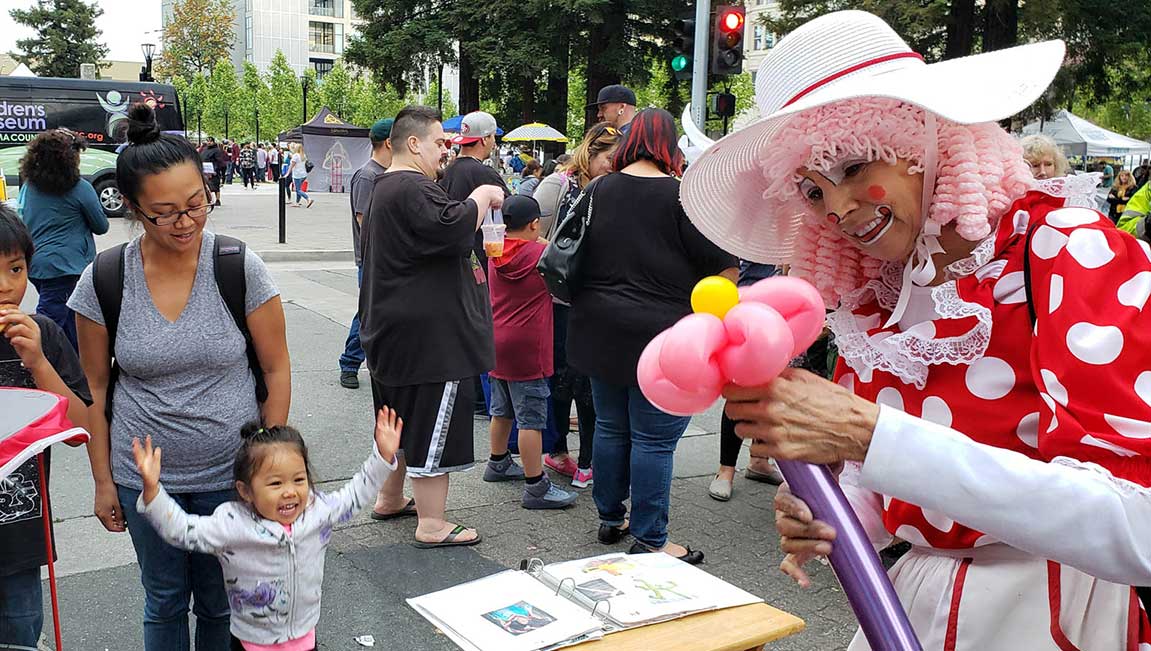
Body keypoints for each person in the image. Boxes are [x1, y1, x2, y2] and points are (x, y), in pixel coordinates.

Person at [677, 10, 1151, 647]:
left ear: (929, 139)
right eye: (812, 192)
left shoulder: (1067, 250)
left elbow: (1137, 522)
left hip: (1057, 614)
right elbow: (898, 496)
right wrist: (840, 521)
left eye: (851, 166)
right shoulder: (877, 297)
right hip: (914, 611)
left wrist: (870, 434)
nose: (839, 209)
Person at [68, 104, 291, 651]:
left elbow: (276, 367)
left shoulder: (238, 265)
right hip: (143, 478)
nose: (186, 222)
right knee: (164, 598)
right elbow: (94, 387)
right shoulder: (105, 278)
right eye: (165, 213)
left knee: (220, 601)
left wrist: (268, 463)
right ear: (133, 209)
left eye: (197, 204)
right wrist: (102, 481)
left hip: (229, 476)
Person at [567, 108, 737, 564]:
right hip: (662, 337)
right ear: (670, 147)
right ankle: (652, 538)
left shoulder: (597, 189)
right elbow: (724, 267)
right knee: (654, 439)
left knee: (608, 425)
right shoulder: (683, 197)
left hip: (599, 328)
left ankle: (609, 517)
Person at [132, 409, 401, 651]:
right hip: (251, 642)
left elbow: (355, 495)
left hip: (304, 637)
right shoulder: (232, 524)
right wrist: (154, 493)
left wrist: (382, 457)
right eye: (275, 484)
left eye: (299, 479)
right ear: (245, 491)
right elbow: (183, 530)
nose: (289, 491)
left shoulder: (317, 511)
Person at [359, 105, 505, 548]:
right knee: (431, 427)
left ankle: (389, 496)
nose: (446, 150)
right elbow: (452, 229)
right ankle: (433, 523)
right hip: (427, 340)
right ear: (413, 143)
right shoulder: (409, 185)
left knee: (401, 424)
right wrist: (480, 198)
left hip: (394, 333)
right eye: (440, 142)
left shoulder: (389, 188)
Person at [0, 206, 91, 650]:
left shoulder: (45, 335)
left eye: (15, 269)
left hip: (20, 535)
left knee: (21, 635)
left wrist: (36, 361)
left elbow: (78, 427)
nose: (5, 285)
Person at [537, 124, 621, 487]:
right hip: (560, 298)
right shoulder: (558, 185)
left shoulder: (613, 188)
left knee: (587, 383)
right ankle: (557, 450)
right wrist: (567, 253)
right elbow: (532, 234)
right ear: (590, 153)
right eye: (608, 159)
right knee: (560, 378)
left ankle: (588, 461)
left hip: (596, 300)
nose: (612, 166)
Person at [484, 195, 579, 509]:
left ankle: (497, 462)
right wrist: (544, 241)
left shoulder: (493, 251)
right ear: (535, 223)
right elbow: (565, 271)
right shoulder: (541, 254)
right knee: (531, 419)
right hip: (527, 347)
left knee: (502, 409)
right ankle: (536, 486)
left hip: (496, 341)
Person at [439, 110, 511, 417]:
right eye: (493, 137)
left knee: (462, 327)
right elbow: (512, 212)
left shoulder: (449, 171)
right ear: (485, 139)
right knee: (481, 328)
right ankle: (483, 400)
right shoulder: (486, 176)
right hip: (481, 260)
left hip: (454, 260)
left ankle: (471, 396)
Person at [16, 129, 109, 350]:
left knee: (70, 323)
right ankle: (37, 364)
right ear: (70, 158)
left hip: (37, 265)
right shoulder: (79, 189)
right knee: (50, 323)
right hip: (67, 268)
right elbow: (102, 226)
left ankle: (75, 368)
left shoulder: (29, 187)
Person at [708, 259, 786, 502]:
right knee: (742, 390)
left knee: (774, 393)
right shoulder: (757, 230)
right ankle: (726, 470)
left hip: (787, 312)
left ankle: (759, 460)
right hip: (750, 312)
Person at [339, 118, 394, 392]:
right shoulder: (368, 175)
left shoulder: (385, 173)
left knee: (378, 313)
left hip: (384, 259)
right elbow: (364, 219)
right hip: (371, 259)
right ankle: (349, 363)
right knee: (368, 314)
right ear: (388, 143)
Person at [200, 137, 228, 206]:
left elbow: (219, 161)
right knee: (206, 186)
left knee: (215, 186)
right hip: (205, 170)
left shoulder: (217, 150)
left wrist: (215, 170)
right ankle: (208, 199)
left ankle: (217, 199)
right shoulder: (204, 149)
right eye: (208, 141)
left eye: (210, 141)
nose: (209, 142)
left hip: (213, 170)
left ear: (213, 142)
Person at [286, 142, 313, 208]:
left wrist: (287, 174)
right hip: (303, 175)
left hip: (297, 175)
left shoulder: (295, 156)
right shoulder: (303, 155)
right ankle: (297, 203)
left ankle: (308, 199)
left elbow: (291, 166)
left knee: (298, 190)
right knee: (299, 189)